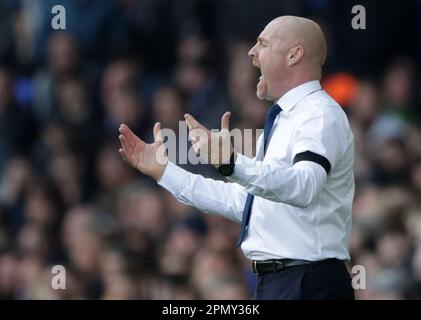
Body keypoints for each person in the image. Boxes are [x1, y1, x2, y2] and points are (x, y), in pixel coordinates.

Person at [118, 16, 355, 300]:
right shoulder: (285, 119)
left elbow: (304, 186)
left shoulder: (318, 113)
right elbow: (246, 203)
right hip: (281, 283)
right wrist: (165, 172)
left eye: (262, 44)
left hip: (308, 284)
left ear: (295, 54)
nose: (251, 53)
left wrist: (232, 162)